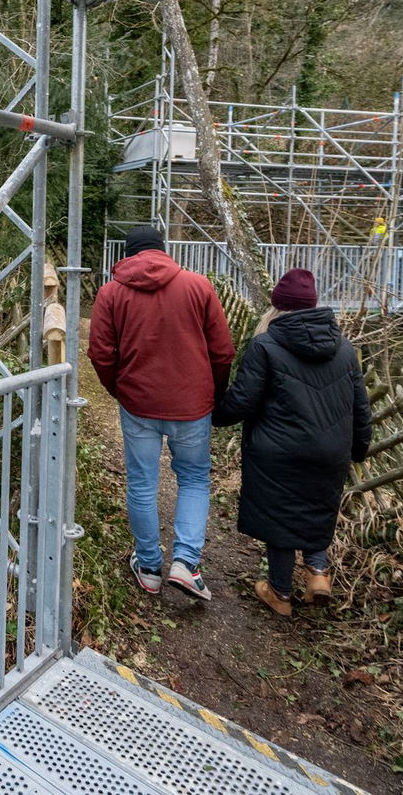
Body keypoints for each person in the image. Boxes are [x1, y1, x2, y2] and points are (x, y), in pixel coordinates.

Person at [213, 268, 372, 617]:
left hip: (277, 451)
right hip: (331, 450)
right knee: (317, 509)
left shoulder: (266, 344)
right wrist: (357, 449)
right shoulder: (345, 349)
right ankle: (318, 574)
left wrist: (213, 414)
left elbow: (243, 401)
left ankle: (280, 592)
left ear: (278, 307)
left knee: (280, 519)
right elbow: (361, 407)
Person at [88, 226, 234, 600]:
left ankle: (150, 567)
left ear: (128, 254)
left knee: (141, 482)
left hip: (139, 403)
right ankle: (186, 563)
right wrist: (213, 392)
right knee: (195, 479)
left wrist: (118, 390)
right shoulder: (198, 286)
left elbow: (101, 354)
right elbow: (222, 351)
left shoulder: (111, 293)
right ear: (163, 251)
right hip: (192, 405)